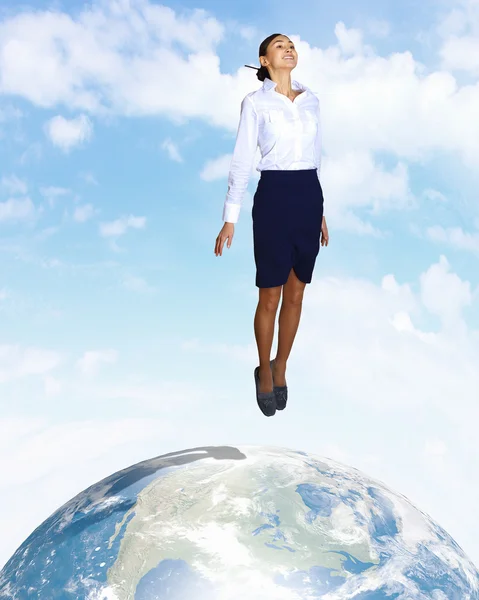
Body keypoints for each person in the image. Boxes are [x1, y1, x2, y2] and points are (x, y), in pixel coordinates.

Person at [214, 33, 329, 417]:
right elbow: (242, 162)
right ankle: (264, 369)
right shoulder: (255, 103)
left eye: (293, 44)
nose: (290, 48)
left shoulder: (312, 100)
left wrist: (320, 211)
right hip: (275, 197)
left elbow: (314, 157)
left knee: (297, 293)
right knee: (271, 295)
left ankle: (282, 365)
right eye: (280, 46)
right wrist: (230, 218)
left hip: (308, 196)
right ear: (264, 60)